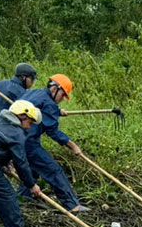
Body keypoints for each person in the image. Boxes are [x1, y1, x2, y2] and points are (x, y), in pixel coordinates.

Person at [18, 74, 89, 213]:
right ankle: (72, 205)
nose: (62, 99)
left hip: (15, 139)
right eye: (63, 95)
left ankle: (21, 200)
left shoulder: (34, 93)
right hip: (29, 143)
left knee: (32, 172)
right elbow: (53, 132)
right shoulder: (49, 104)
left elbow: (40, 107)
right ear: (55, 88)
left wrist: (56, 111)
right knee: (53, 170)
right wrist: (73, 146)